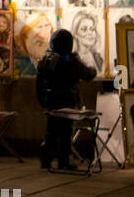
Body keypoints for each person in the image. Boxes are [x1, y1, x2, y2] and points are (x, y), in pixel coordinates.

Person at [36, 29, 97, 170]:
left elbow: (38, 82)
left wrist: (43, 100)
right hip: (67, 102)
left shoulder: (45, 59)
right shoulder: (70, 60)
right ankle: (64, 161)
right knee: (65, 132)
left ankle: (46, 159)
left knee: (51, 131)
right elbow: (88, 74)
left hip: (50, 102)